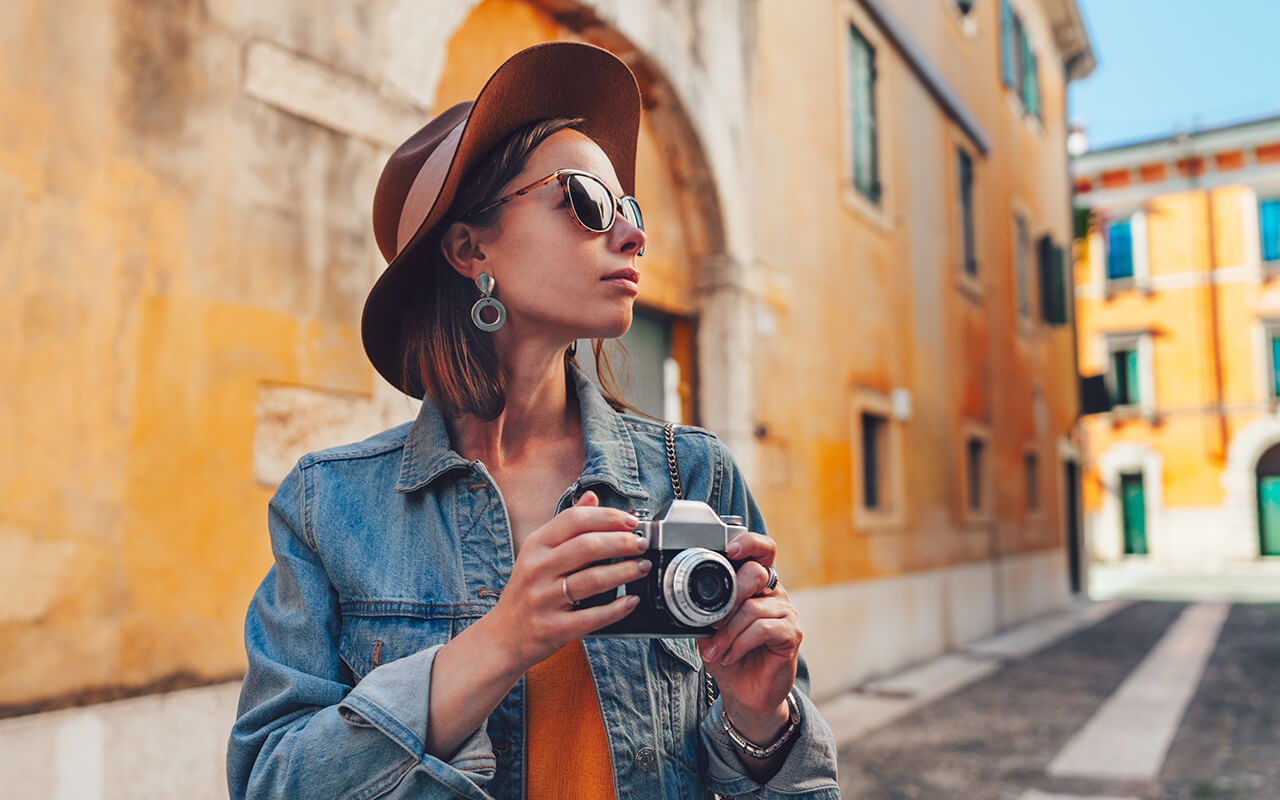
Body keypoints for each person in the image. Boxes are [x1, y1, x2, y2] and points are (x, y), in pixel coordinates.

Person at [227, 41, 840, 799]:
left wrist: (761, 722)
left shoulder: (694, 474)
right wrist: (498, 644)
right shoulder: (328, 506)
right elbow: (270, 780)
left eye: (629, 209)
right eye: (585, 199)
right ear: (469, 248)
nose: (631, 234)